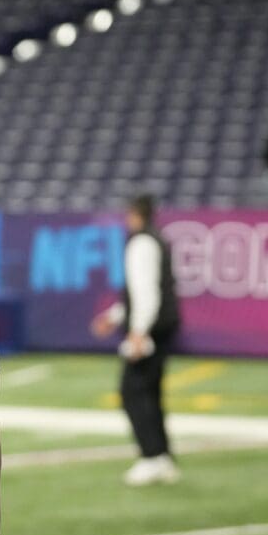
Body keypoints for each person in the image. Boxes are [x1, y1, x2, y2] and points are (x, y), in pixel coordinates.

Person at [91, 195, 181, 486]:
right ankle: (163, 456)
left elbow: (146, 291)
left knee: (133, 391)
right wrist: (116, 316)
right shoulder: (156, 239)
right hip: (161, 325)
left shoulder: (141, 243)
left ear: (134, 213)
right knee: (151, 393)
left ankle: (151, 456)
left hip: (150, 329)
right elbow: (144, 293)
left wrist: (138, 331)